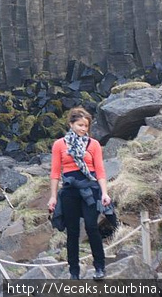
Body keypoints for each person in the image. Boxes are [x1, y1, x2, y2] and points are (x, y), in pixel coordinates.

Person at [47, 107, 111, 280]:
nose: (84, 129)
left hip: (90, 190)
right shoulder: (60, 144)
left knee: (91, 227)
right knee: (72, 231)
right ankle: (74, 272)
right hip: (69, 191)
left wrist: (104, 193)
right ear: (71, 124)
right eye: (80, 125)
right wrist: (53, 197)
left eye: (86, 126)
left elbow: (100, 171)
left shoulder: (94, 144)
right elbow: (54, 173)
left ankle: (99, 267)